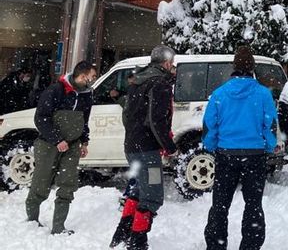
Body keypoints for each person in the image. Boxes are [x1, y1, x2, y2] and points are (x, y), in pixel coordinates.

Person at [203, 46, 278, 250]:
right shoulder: (263, 94)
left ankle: (216, 245)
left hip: (226, 155)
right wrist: (271, 145)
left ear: (233, 68)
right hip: (254, 156)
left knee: (220, 205)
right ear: (252, 68)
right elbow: (269, 124)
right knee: (253, 204)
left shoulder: (220, 94)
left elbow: (210, 125)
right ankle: (250, 245)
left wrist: (210, 145)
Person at [110, 46, 177, 250]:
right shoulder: (160, 84)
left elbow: (128, 115)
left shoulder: (137, 82)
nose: (173, 67)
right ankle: (138, 241)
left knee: (139, 188)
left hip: (132, 146)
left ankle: (123, 231)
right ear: (166, 63)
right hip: (148, 149)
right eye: (171, 63)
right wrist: (169, 146)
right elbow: (157, 120)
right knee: (153, 195)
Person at [25, 61, 95, 235]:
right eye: (92, 76)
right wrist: (57, 139)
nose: (94, 79)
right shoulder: (55, 90)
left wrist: (84, 141)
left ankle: (58, 227)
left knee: (67, 184)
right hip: (48, 144)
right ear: (83, 76)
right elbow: (41, 118)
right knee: (41, 183)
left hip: (72, 145)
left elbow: (83, 121)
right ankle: (32, 221)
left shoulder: (87, 95)